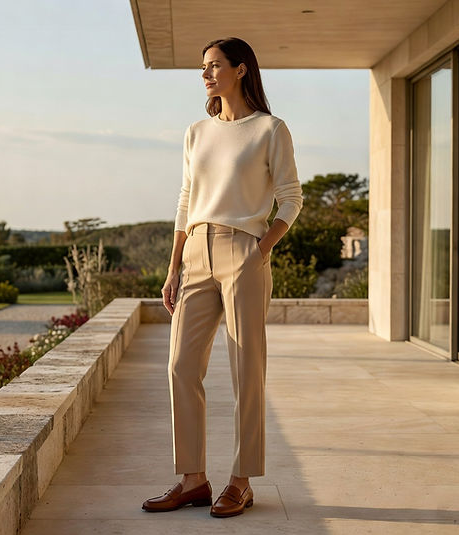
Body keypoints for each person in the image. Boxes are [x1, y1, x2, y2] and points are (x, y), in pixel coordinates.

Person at [141, 37, 303, 518]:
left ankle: (241, 480)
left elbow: (291, 198)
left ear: (241, 69)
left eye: (214, 66)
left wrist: (261, 249)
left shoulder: (270, 129)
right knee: (180, 366)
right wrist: (174, 265)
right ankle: (193, 480)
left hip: (243, 250)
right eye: (203, 67)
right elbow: (185, 199)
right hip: (195, 251)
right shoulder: (197, 132)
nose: (206, 74)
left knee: (245, 369)